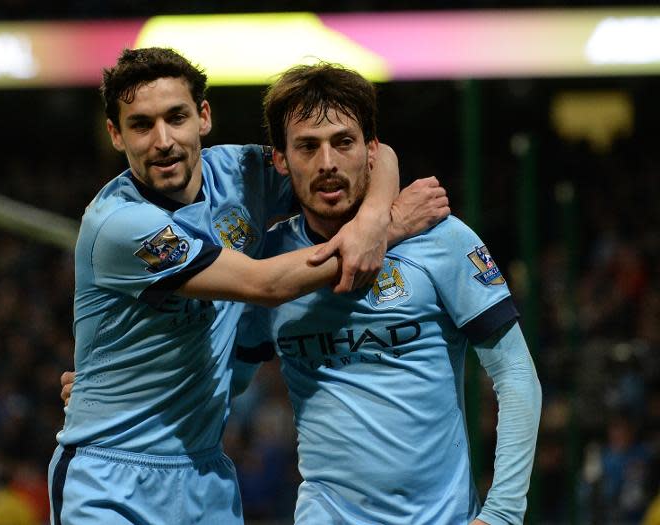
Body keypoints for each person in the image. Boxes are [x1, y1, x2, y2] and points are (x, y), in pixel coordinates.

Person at [48, 47, 449, 525]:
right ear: (116, 134)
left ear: (204, 116)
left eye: (176, 117)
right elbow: (264, 284)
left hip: (204, 474)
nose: (163, 141)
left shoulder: (241, 174)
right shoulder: (120, 225)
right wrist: (393, 225)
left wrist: (371, 219)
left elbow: (372, 155)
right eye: (141, 125)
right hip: (110, 474)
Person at [227, 63, 543, 524]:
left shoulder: (442, 239)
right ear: (281, 159)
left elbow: (516, 375)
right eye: (308, 147)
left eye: (343, 142)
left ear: (371, 151)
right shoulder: (270, 263)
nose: (328, 163)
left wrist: (503, 513)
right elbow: (223, 384)